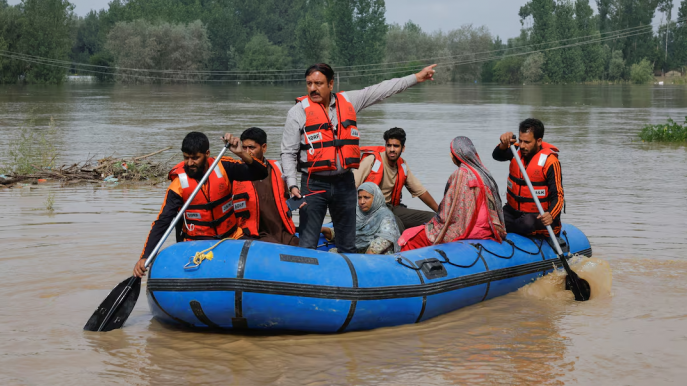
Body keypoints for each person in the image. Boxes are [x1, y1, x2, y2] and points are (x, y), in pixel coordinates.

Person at [281, 62, 437, 252]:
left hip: (344, 183)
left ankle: (347, 278)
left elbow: (381, 90)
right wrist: (292, 184)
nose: (313, 88)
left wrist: (417, 78)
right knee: (307, 242)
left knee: (347, 243)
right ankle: (305, 279)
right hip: (313, 184)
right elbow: (288, 152)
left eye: (318, 83)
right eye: (309, 84)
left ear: (331, 84)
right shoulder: (297, 112)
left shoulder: (349, 101)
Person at [133, 132, 268, 277]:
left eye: (195, 158)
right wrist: (146, 256)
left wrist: (241, 152)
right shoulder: (178, 185)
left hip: (231, 237)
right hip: (197, 244)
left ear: (207, 154)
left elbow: (260, 173)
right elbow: (163, 222)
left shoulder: (223, 167)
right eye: (186, 158)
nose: (190, 163)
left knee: (260, 264)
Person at [399, 137, 507, 251]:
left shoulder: (459, 175)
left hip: (465, 231)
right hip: (485, 229)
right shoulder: (484, 174)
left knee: (409, 236)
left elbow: (445, 213)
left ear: (453, 156)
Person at [354, 127, 438, 233]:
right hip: (370, 211)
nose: (392, 149)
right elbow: (352, 186)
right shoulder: (372, 161)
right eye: (389, 145)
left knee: (432, 218)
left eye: (396, 146)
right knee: (397, 224)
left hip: (392, 208)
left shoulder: (402, 165)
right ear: (385, 146)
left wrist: (440, 212)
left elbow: (420, 191)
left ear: (403, 148)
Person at [492, 118, 564, 237]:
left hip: (537, 215)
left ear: (539, 141)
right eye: (520, 141)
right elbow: (497, 155)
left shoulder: (550, 162)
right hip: (514, 211)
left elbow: (558, 195)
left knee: (526, 223)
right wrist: (503, 145)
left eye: (527, 142)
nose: (522, 146)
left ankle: (509, 229)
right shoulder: (516, 150)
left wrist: (551, 214)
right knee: (493, 217)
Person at [232, 127, 299, 246]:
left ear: (264, 147)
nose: (247, 152)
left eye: (252, 148)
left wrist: (298, 201)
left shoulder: (278, 169)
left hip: (281, 232)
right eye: (244, 148)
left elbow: (286, 200)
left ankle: (324, 230)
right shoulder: (235, 172)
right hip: (253, 235)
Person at [322, 182, 401, 255]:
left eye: (366, 197)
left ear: (376, 198)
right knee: (332, 252)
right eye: (359, 198)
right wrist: (325, 230)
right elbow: (345, 232)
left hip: (375, 255)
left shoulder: (385, 215)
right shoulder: (356, 213)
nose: (362, 202)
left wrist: (368, 255)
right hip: (357, 252)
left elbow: (386, 238)